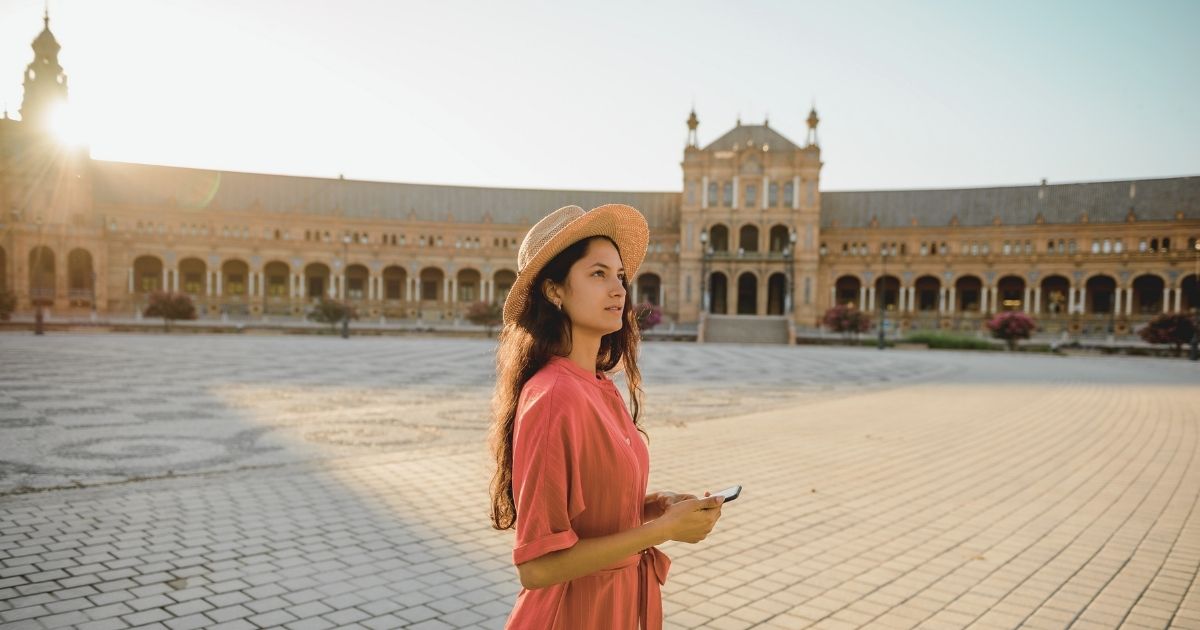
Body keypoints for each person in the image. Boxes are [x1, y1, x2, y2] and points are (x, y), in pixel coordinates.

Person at [488, 204, 725, 629]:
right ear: (553, 290)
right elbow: (537, 567)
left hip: (614, 608)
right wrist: (662, 531)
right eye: (598, 274)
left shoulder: (599, 386)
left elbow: (593, 508)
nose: (618, 290)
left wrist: (657, 506)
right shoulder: (552, 397)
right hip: (572, 614)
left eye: (620, 276)